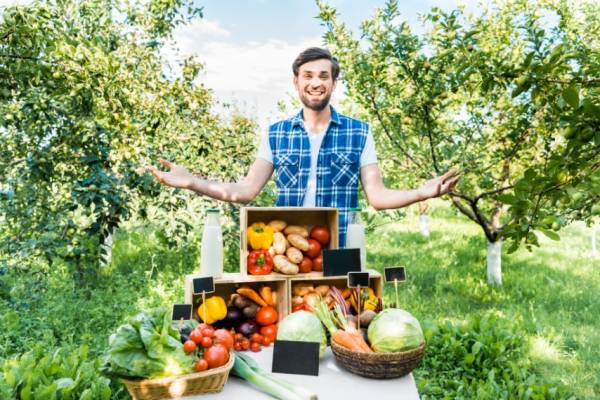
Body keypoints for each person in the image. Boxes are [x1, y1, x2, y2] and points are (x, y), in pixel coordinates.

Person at [149, 47, 459, 247]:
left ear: (333, 84)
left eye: (324, 76)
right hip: (289, 246)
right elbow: (244, 191)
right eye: (307, 75)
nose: (316, 82)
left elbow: (377, 196)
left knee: (341, 333)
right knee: (293, 333)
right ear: (296, 82)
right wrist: (191, 181)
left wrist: (423, 192)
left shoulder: (359, 132)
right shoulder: (276, 134)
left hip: (341, 248)